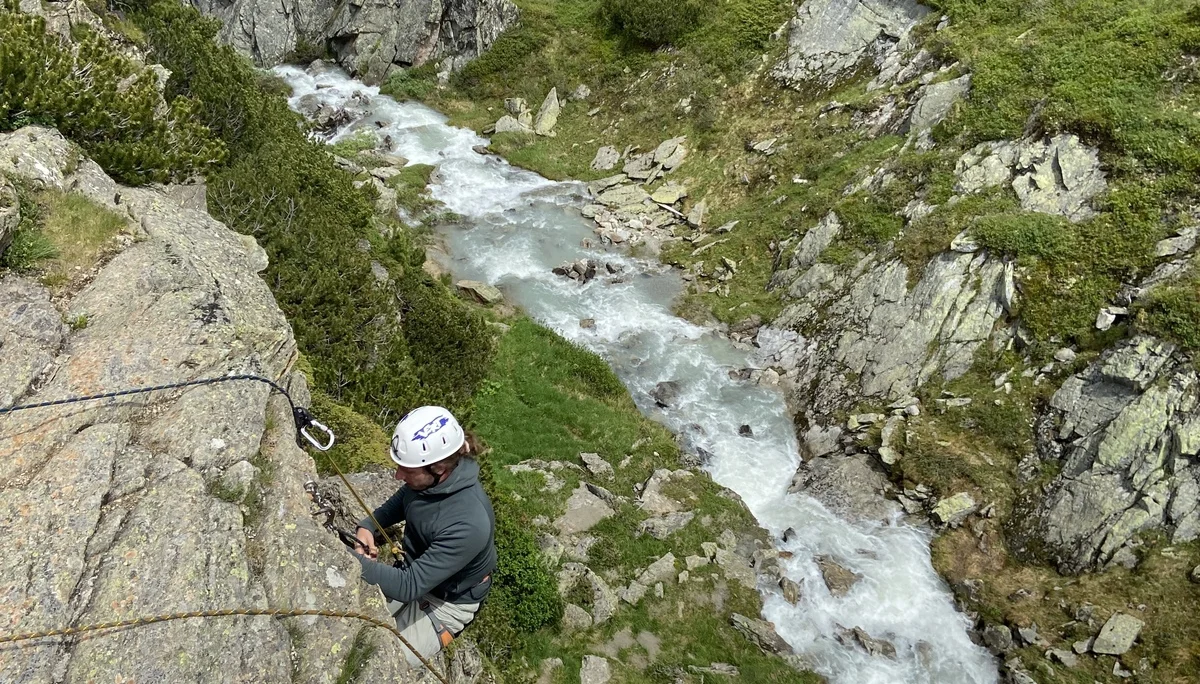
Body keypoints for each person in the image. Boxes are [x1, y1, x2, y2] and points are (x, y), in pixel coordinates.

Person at [350, 406, 496, 666]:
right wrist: (367, 526)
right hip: (416, 571)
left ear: (438, 467)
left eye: (406, 469)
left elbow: (409, 587)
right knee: (349, 620)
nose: (397, 475)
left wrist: (348, 560)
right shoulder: (432, 480)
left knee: (380, 663)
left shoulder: (469, 523)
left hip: (447, 603)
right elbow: (403, 501)